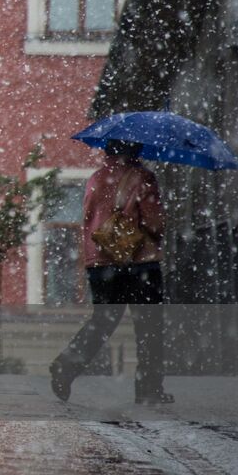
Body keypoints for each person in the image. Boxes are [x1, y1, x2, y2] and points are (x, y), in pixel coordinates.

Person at [49, 139, 169, 405]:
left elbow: (90, 219)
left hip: (100, 262)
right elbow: (153, 223)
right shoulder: (143, 177)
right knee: (149, 326)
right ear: (134, 149)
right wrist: (161, 219)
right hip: (139, 262)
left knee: (102, 321)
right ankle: (149, 388)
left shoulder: (95, 178)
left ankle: (66, 365)